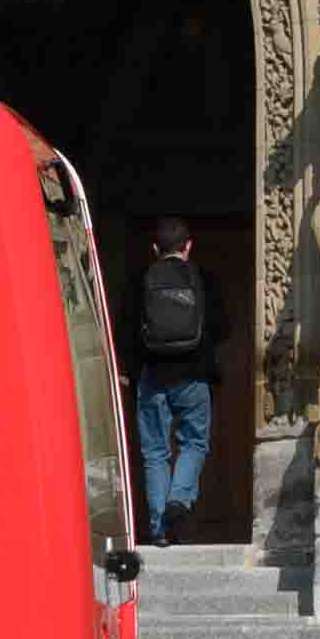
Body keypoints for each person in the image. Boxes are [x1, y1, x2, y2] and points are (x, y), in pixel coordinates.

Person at [126, 228, 218, 537]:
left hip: (152, 375)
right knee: (194, 442)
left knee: (155, 452)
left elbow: (127, 328)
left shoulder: (143, 278)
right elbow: (222, 326)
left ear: (155, 247)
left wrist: (130, 370)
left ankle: (160, 530)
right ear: (188, 246)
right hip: (193, 375)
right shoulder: (201, 277)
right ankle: (179, 497)